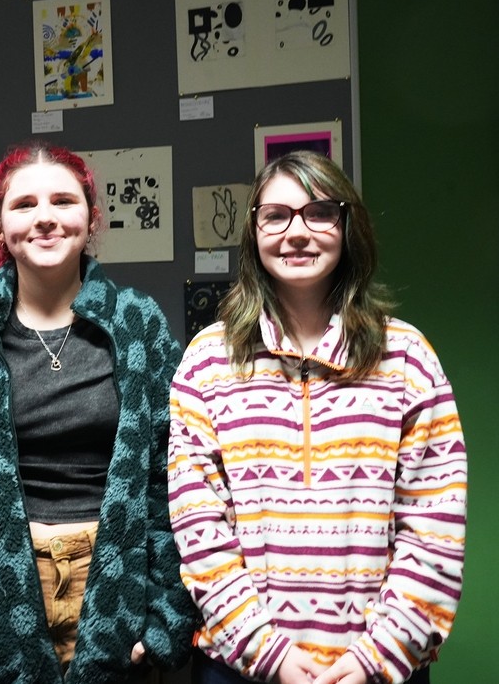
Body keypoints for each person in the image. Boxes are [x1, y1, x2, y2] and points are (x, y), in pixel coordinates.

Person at [0, 143, 198, 683]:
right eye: (24, 205)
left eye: (63, 200)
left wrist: (166, 612)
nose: (44, 218)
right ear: (0, 224)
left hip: (114, 588)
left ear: (90, 216)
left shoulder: (138, 324)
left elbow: (173, 474)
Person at [168, 151, 467, 684]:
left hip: (378, 667)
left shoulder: (407, 357)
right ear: (254, 232)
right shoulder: (207, 361)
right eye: (276, 216)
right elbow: (199, 527)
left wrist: (374, 660)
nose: (297, 232)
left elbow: (434, 528)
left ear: (348, 226)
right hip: (241, 666)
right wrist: (270, 654)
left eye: (320, 212)